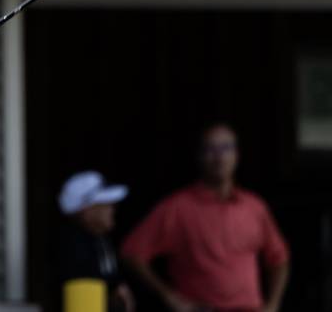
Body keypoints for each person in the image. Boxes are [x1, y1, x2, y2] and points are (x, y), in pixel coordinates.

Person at [122, 124, 290, 312]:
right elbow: (132, 252)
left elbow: (279, 258)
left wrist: (273, 304)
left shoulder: (254, 207)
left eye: (226, 148)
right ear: (199, 156)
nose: (219, 157)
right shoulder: (177, 207)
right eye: (211, 149)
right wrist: (168, 296)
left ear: (237, 155)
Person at [58, 171, 135, 312]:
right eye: (105, 204)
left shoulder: (100, 238)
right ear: (86, 210)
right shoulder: (74, 245)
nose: (112, 209)